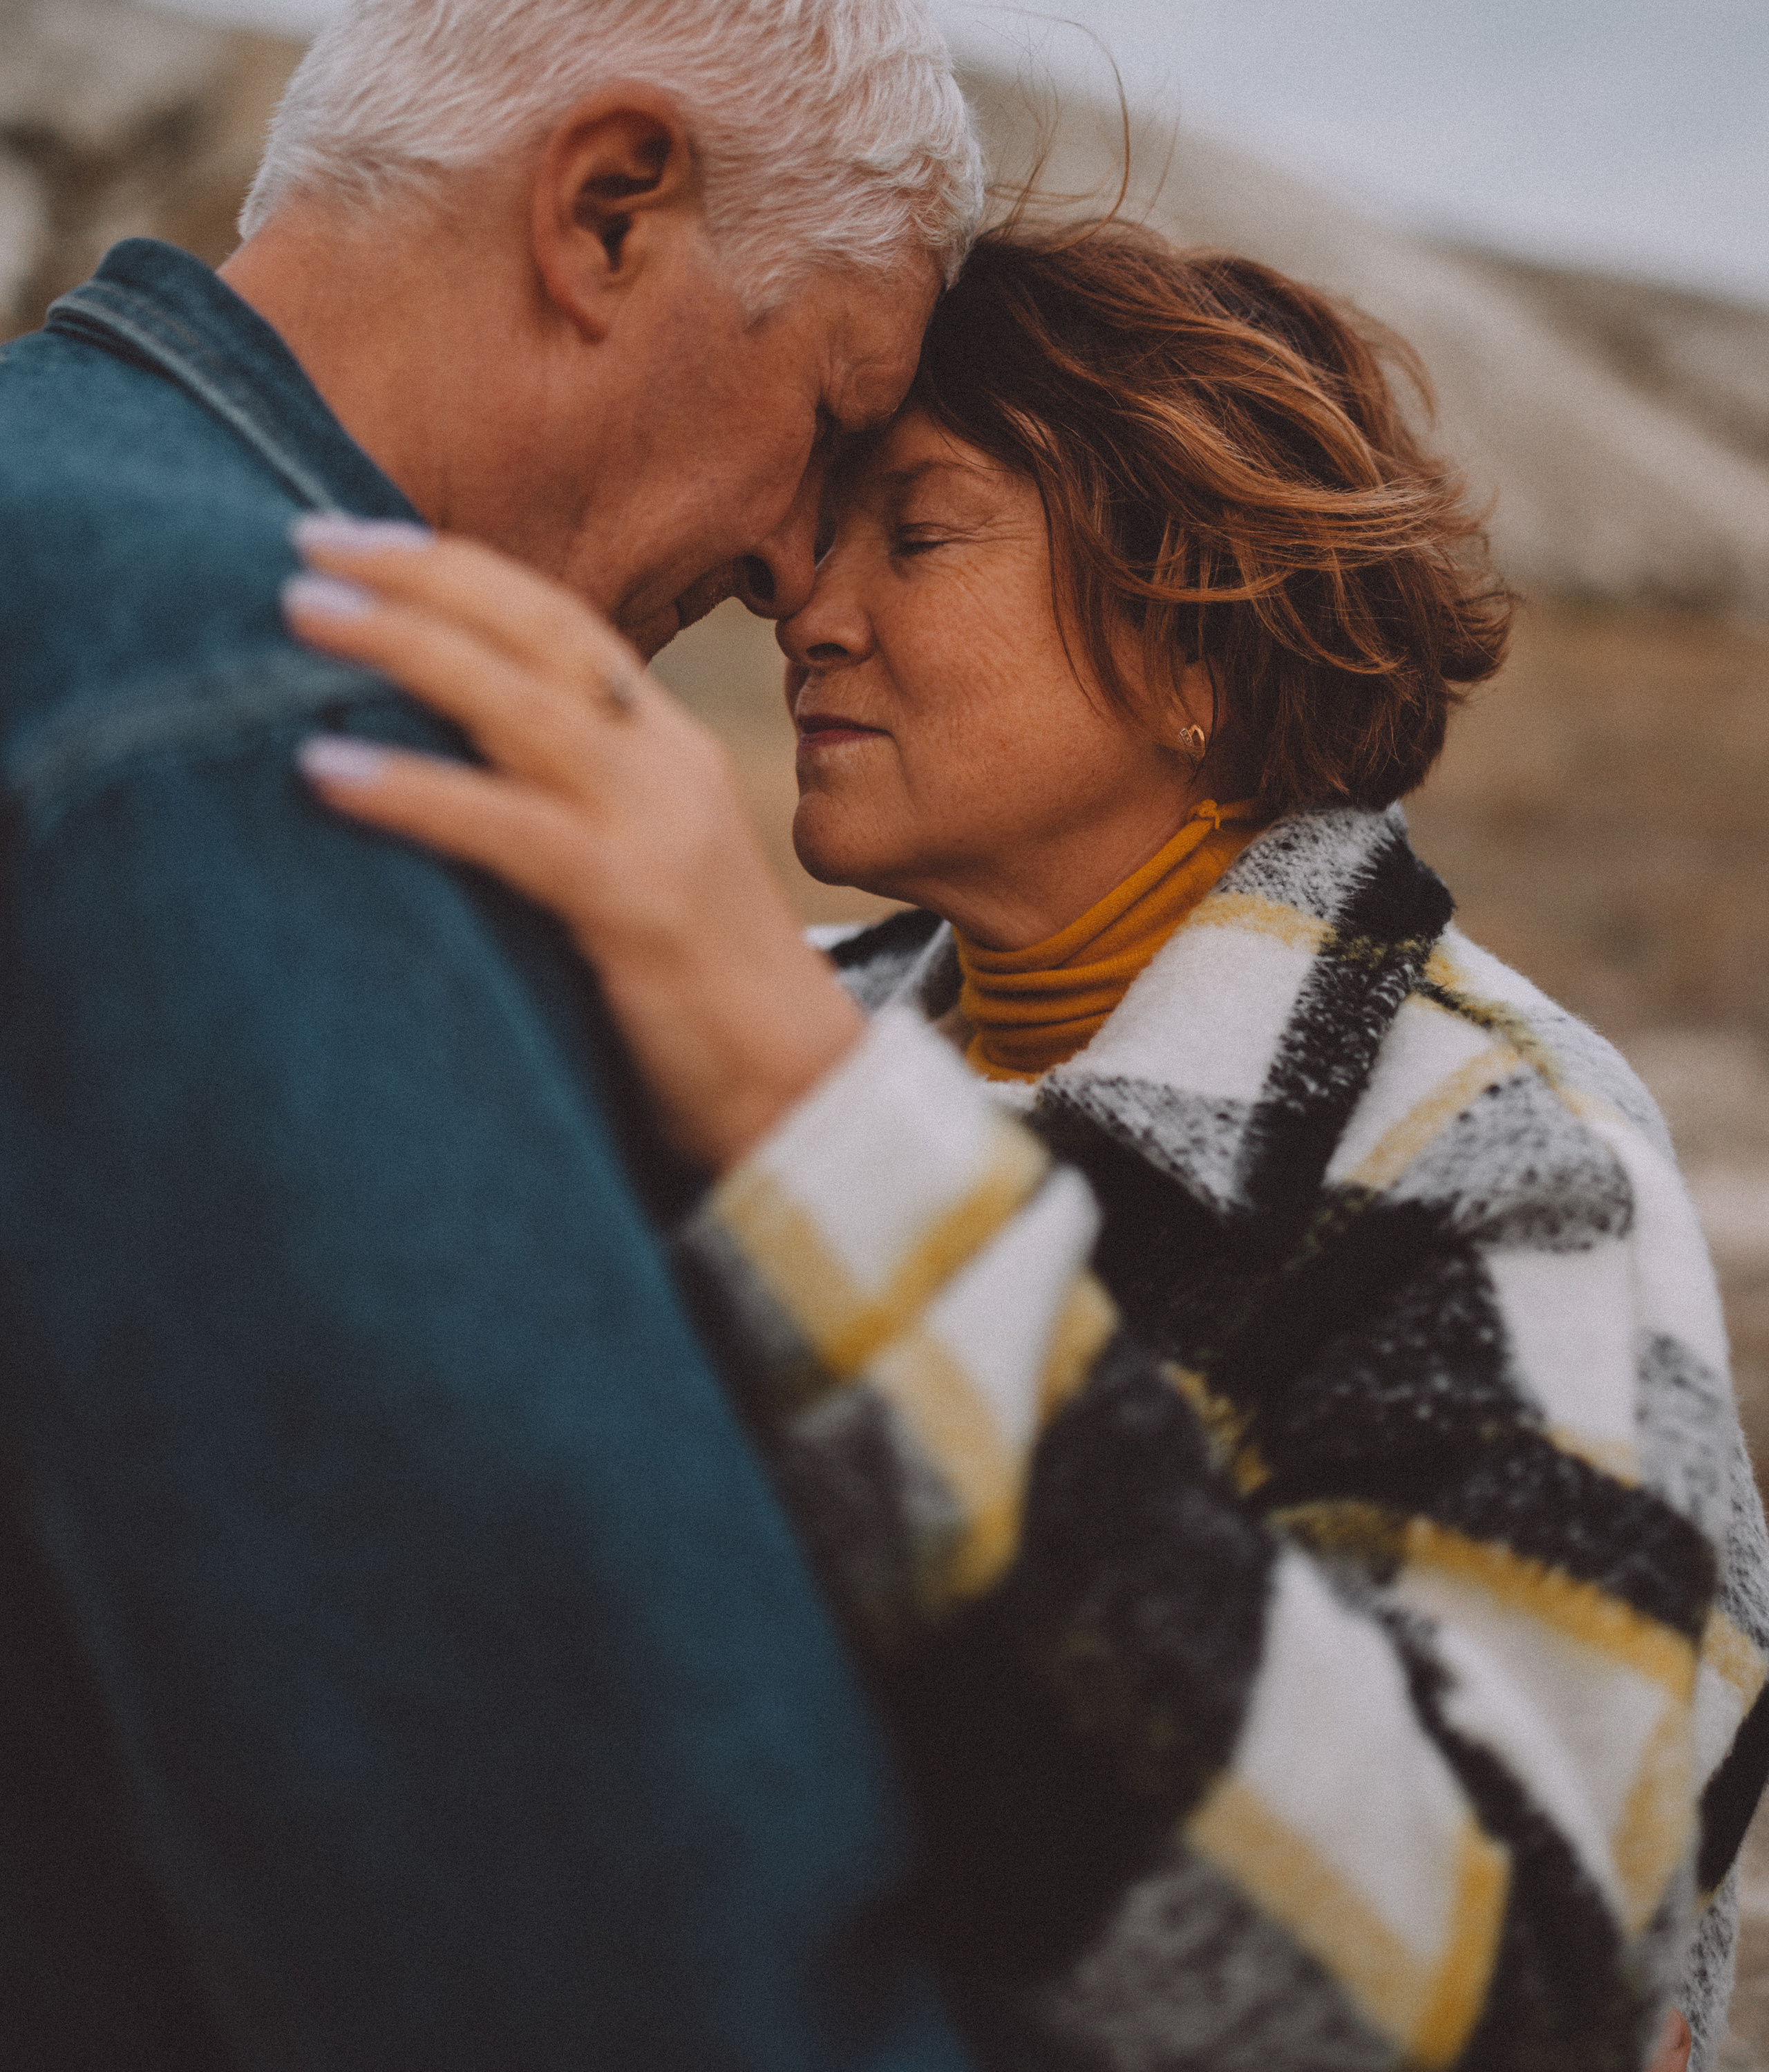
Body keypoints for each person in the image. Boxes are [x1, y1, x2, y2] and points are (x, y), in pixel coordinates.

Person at [286, 220, 1769, 2072]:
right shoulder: (774, 1020)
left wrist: (820, 1148)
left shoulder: (1506, 1165)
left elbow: (1484, 2006)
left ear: (1201, 636)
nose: (805, 605)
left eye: (916, 531)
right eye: (823, 532)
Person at [0, 0, 990, 2067]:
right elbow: (613, 1931)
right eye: (827, 414)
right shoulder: (281, 718)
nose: (787, 569)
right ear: (609, 206)